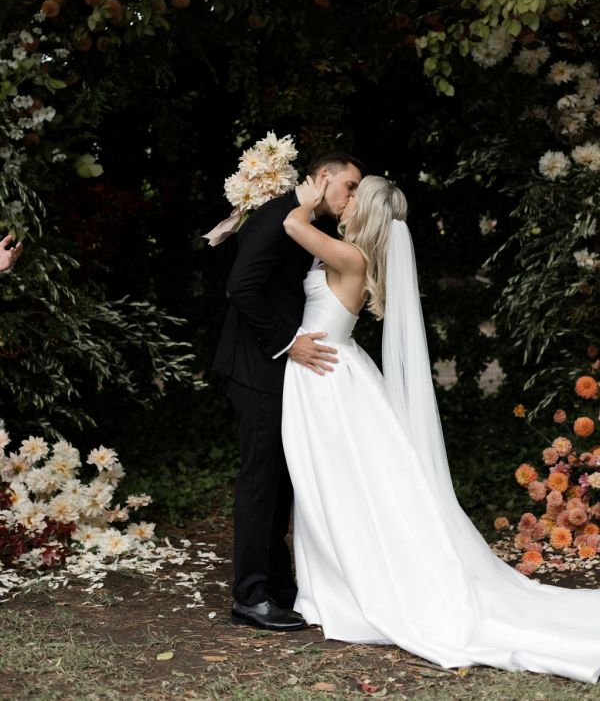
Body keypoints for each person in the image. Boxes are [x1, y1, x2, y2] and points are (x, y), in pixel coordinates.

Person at [281, 173, 600, 684]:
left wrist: (305, 197)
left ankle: (343, 585)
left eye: (355, 195)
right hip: (329, 372)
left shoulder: (352, 257)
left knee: (333, 481)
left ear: (368, 212)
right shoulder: (351, 253)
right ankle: (329, 581)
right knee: (331, 481)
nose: (345, 201)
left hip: (327, 378)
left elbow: (293, 225)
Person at [213, 150, 363, 631]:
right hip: (258, 366)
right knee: (261, 480)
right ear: (324, 176)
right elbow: (241, 288)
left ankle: (278, 586)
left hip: (283, 372)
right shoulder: (278, 215)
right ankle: (249, 596)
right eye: (350, 186)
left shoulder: (305, 221)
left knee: (281, 481)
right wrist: (287, 342)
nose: (352, 196)